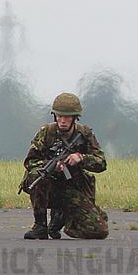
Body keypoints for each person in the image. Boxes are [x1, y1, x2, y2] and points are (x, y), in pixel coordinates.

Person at [20, 93, 108, 240]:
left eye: (67, 117)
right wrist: (51, 166)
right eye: (59, 116)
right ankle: (40, 226)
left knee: (99, 230)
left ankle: (63, 220)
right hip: (49, 189)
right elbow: (30, 162)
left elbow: (101, 163)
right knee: (37, 175)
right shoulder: (46, 133)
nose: (62, 120)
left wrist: (81, 158)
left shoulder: (85, 134)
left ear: (75, 117)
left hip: (71, 191)